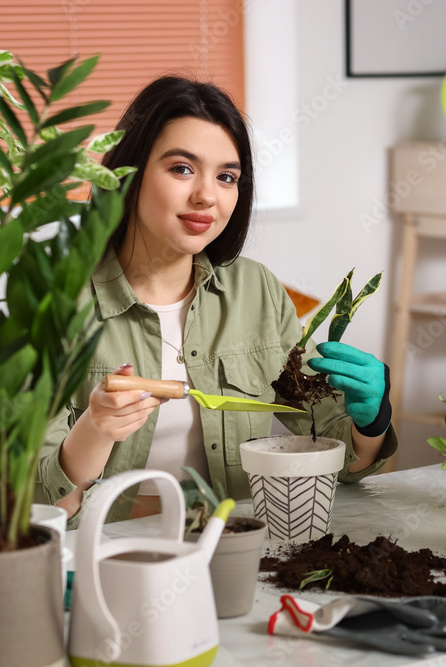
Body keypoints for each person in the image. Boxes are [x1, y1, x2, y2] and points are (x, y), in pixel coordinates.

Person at [34, 76, 397, 527]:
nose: (207, 195)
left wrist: (372, 419)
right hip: (107, 560)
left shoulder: (257, 290)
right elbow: (36, 511)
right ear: (127, 173)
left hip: (236, 551)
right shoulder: (54, 304)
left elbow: (342, 462)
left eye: (227, 177)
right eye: (182, 168)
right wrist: (95, 430)